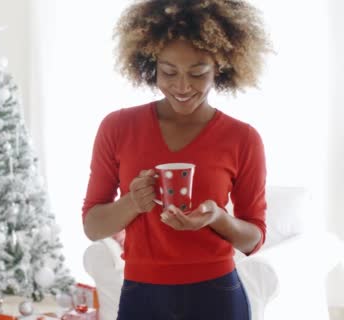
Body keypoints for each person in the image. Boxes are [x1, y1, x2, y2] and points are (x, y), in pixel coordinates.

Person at [81, 1, 272, 319]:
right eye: (169, 72)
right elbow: (92, 226)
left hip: (218, 295)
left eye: (198, 73)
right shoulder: (117, 127)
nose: (182, 86)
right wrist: (132, 203)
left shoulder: (243, 138)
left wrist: (217, 218)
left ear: (219, 67)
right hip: (142, 295)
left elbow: (254, 239)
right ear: (151, 64)